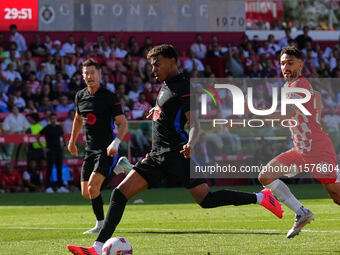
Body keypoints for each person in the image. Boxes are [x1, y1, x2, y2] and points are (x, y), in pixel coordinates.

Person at [67, 45, 282, 255]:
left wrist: (191, 143)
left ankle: (261, 198)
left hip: (177, 155)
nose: (153, 70)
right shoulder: (167, 85)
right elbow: (171, 111)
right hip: (156, 156)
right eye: (152, 66)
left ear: (172, 62)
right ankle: (97, 248)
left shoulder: (184, 86)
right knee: (119, 194)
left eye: (157, 65)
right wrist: (157, 111)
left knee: (207, 201)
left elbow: (194, 121)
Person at [257, 46, 340, 238]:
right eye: (283, 63)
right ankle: (302, 212)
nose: (285, 67)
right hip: (301, 149)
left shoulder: (299, 85)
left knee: (336, 197)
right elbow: (315, 101)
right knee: (265, 176)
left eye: (290, 63)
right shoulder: (290, 86)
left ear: (301, 65)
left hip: (318, 150)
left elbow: (288, 114)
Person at [67, 59, 132, 234]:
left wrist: (116, 143)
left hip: (106, 149)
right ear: (82, 76)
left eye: (92, 73)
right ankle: (118, 169)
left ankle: (100, 225)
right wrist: (72, 141)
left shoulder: (109, 97)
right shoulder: (80, 96)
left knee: (93, 187)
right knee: (86, 193)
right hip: (89, 149)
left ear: (99, 75)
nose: (89, 76)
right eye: (86, 73)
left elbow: (123, 123)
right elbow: (78, 119)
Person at [37, 113, 68, 193]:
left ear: (56, 119)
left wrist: (65, 145)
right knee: (49, 169)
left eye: (55, 118)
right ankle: (48, 187)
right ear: (49, 119)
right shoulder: (47, 128)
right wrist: (43, 147)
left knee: (59, 169)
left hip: (58, 150)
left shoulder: (59, 128)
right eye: (52, 118)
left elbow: (64, 136)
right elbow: (37, 136)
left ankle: (60, 186)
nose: (53, 120)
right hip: (50, 151)